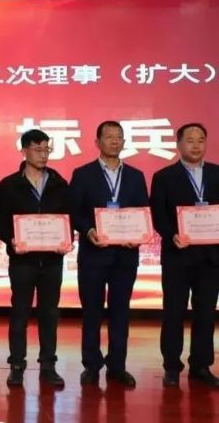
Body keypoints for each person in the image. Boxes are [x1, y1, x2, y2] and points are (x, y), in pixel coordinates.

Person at [69, 121, 148, 387]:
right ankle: (91, 365)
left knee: (120, 312)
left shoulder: (136, 176)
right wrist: (88, 229)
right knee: (91, 312)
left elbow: (143, 212)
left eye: (119, 137)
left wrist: (138, 235)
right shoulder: (83, 174)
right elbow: (74, 211)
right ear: (97, 142)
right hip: (94, 254)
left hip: (125, 256)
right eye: (109, 136)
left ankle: (117, 366)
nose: (115, 141)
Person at [0, 129, 70, 388]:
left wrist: (66, 238)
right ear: (24, 151)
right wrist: (11, 239)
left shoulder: (59, 183)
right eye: (37, 149)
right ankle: (17, 365)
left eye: (46, 149)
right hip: (22, 261)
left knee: (50, 313)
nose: (43, 154)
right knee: (20, 313)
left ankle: (48, 365)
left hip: (52, 261)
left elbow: (68, 218)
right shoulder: (8, 185)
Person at [150, 122, 219, 388]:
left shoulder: (216, 173)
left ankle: (201, 366)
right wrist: (171, 235)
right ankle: (171, 366)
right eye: (190, 140)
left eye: (201, 140)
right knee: (174, 312)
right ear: (178, 144)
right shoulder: (164, 176)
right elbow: (158, 213)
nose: (196, 145)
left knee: (206, 313)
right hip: (178, 255)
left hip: (211, 258)